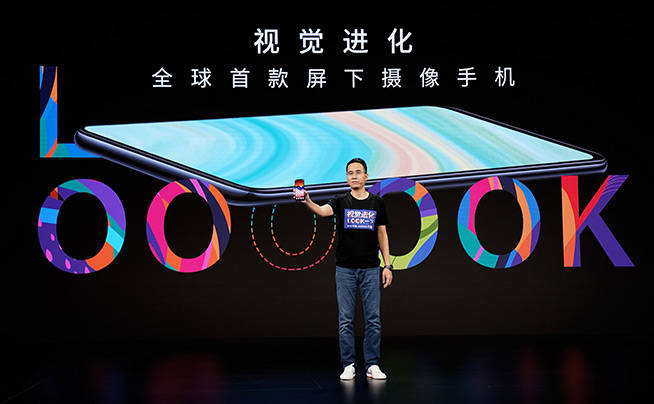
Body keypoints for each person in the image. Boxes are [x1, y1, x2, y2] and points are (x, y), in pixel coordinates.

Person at [300, 157, 393, 380]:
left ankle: (372, 364)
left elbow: (382, 234)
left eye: (358, 172)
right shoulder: (340, 201)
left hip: (371, 268)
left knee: (373, 319)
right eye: (350, 173)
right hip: (345, 270)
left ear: (366, 176)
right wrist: (307, 201)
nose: (354, 176)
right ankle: (349, 364)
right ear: (347, 177)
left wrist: (387, 265)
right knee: (345, 321)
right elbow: (322, 211)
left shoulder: (377, 203)